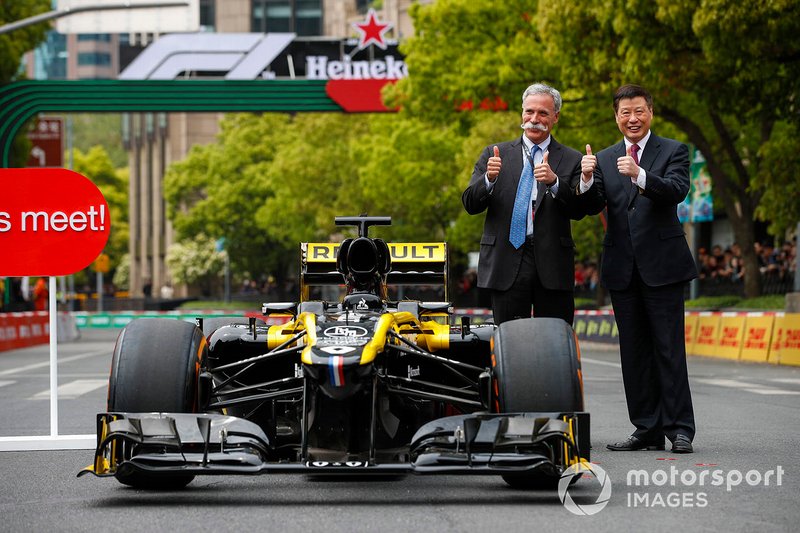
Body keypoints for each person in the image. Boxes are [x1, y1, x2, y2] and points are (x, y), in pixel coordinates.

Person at [577, 84, 697, 454]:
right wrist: (584, 178)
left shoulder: (674, 150)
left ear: (650, 113)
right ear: (616, 117)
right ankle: (646, 428)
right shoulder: (605, 157)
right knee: (633, 352)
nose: (633, 118)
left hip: (663, 267)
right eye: (625, 112)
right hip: (622, 269)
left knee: (668, 349)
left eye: (639, 111)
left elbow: (677, 190)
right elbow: (593, 203)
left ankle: (679, 430)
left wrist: (641, 175)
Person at [462, 83, 583, 325]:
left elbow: (580, 209)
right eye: (529, 111)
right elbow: (470, 203)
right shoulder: (495, 154)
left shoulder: (571, 159)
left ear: (555, 117)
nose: (534, 119)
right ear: (521, 113)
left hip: (552, 263)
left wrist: (555, 182)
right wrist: (489, 179)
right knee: (510, 340)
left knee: (554, 342)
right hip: (506, 261)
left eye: (542, 113)